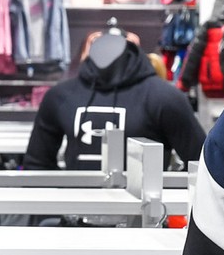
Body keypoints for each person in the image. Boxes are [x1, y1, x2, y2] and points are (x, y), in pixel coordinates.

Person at [23, 32, 206, 172]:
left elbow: (201, 165)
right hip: (75, 208)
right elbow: (36, 165)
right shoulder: (60, 96)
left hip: (145, 210)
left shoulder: (165, 98)